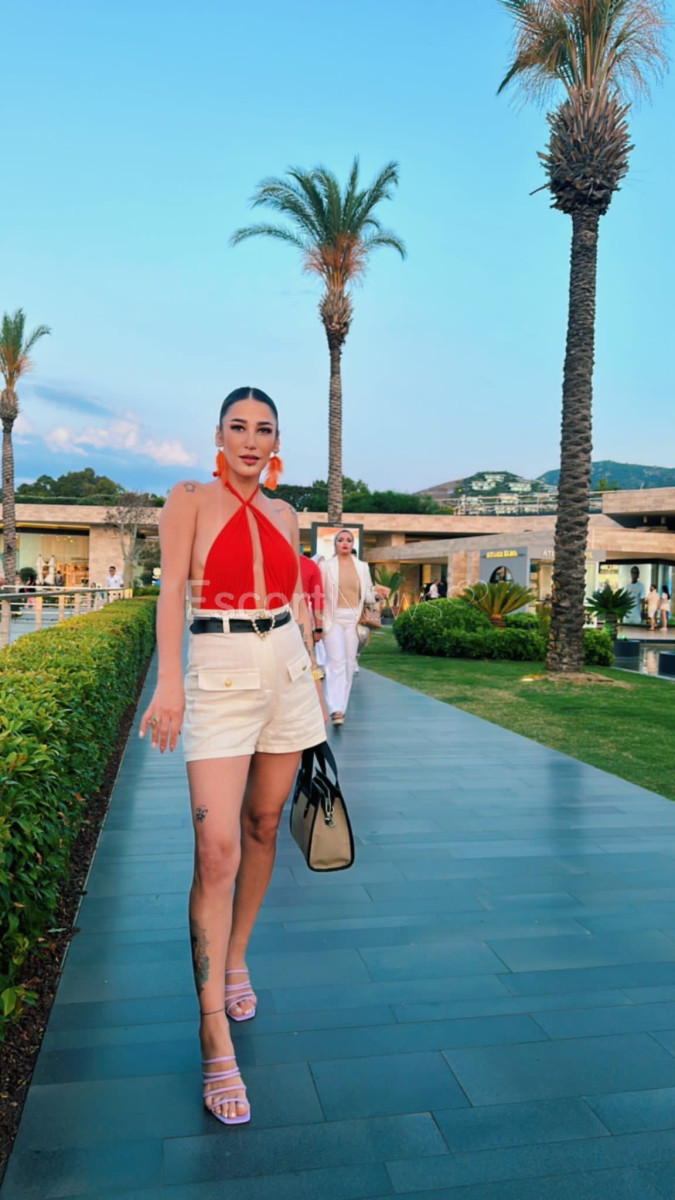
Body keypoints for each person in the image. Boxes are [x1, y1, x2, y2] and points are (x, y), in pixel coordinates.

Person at [139, 386, 326, 1128]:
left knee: (263, 825)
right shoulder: (188, 498)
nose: (251, 440)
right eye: (238, 426)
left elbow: (298, 600)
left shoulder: (285, 513)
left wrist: (313, 676)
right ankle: (212, 1027)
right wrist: (169, 681)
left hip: (286, 667)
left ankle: (237, 954)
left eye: (264, 429)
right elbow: (169, 594)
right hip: (216, 666)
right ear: (218, 434)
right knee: (215, 850)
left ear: (277, 441)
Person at [321, 528, 388, 726]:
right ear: (335, 544)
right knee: (336, 662)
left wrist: (378, 596)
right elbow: (320, 593)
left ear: (353, 544)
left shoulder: (362, 567)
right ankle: (335, 708)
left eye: (348, 540)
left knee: (350, 663)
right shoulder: (326, 566)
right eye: (341, 540)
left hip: (354, 619)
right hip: (333, 618)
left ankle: (341, 706)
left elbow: (367, 595)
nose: (345, 543)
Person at [300, 552, 325, 673]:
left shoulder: (265, 562)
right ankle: (317, 683)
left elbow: (317, 600)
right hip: (302, 623)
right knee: (311, 663)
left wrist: (318, 628)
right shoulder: (309, 565)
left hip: (275, 623)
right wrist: (318, 629)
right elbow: (318, 600)